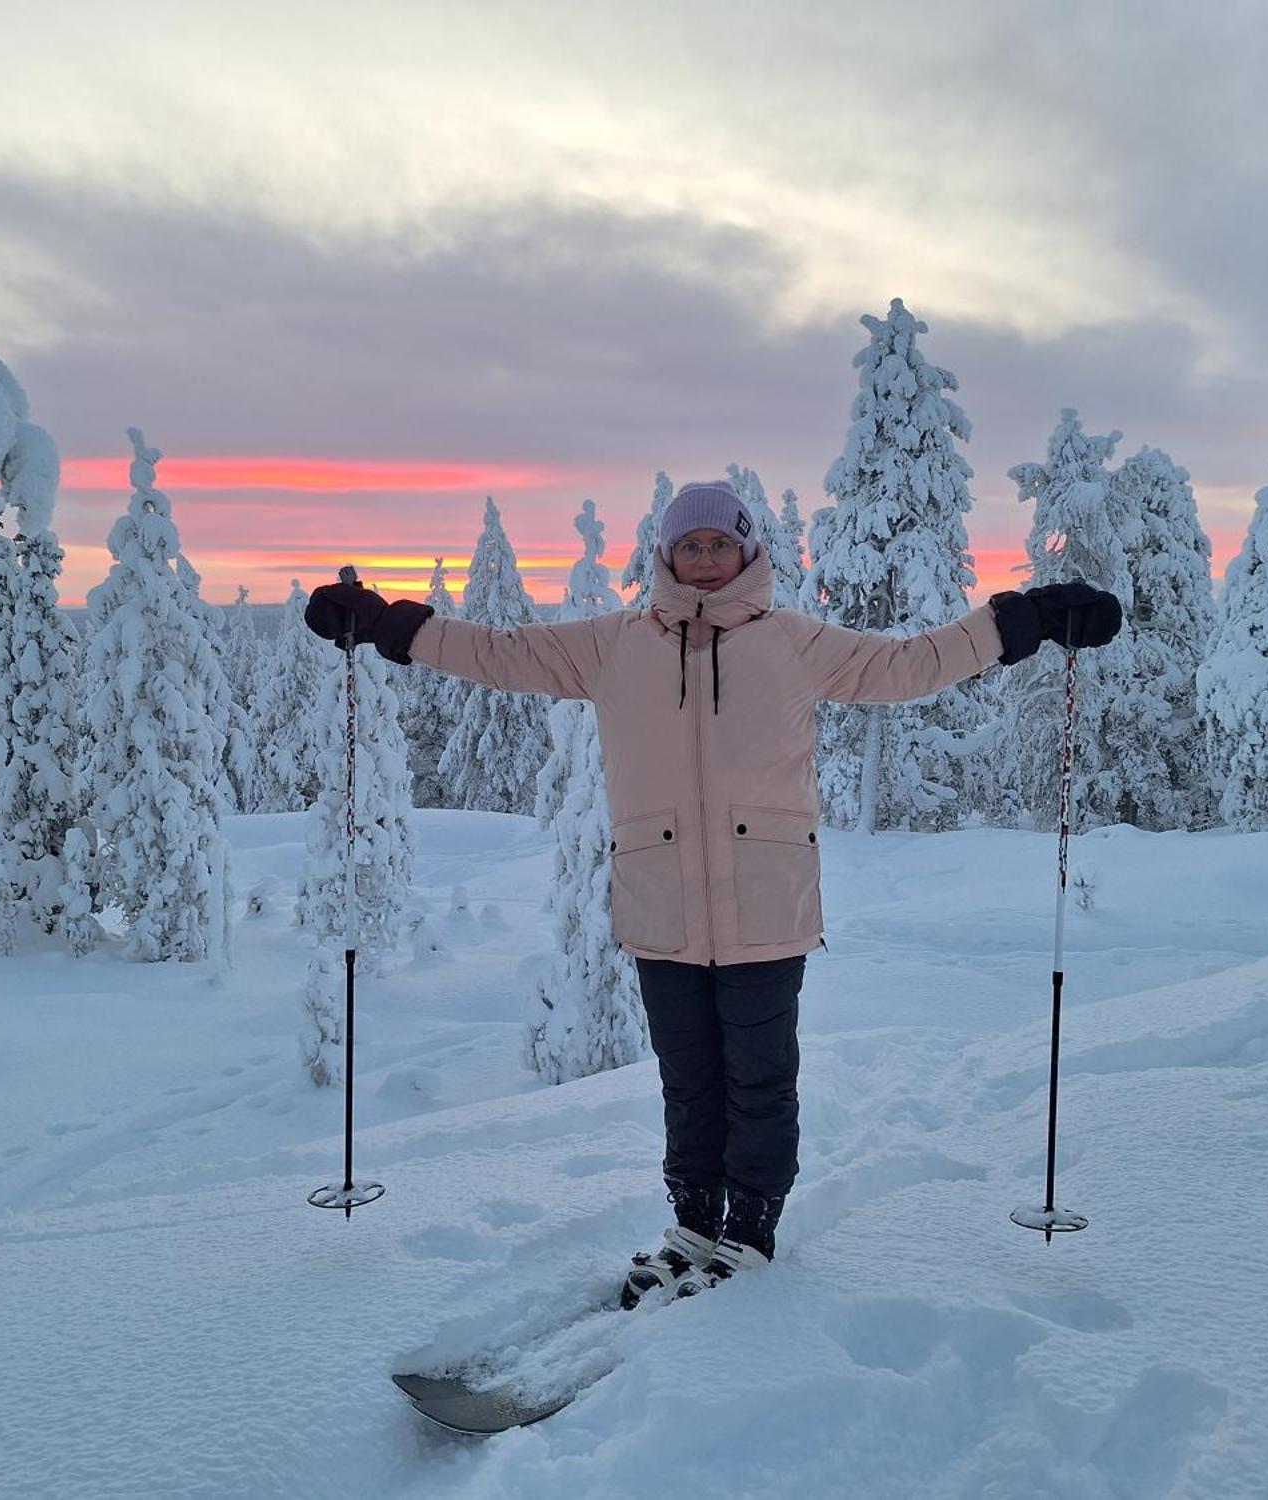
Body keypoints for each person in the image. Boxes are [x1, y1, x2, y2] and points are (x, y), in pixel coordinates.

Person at [303, 478, 1121, 1303]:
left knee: (759, 1081)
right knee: (687, 1079)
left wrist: (1026, 619)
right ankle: (693, 1223)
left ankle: (751, 1230)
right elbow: (500, 651)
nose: (702, 560)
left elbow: (907, 666)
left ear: (745, 551)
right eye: (687, 546)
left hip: (766, 908)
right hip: (661, 908)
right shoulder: (612, 644)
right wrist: (386, 625)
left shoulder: (795, 643)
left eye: (717, 544)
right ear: (666, 555)